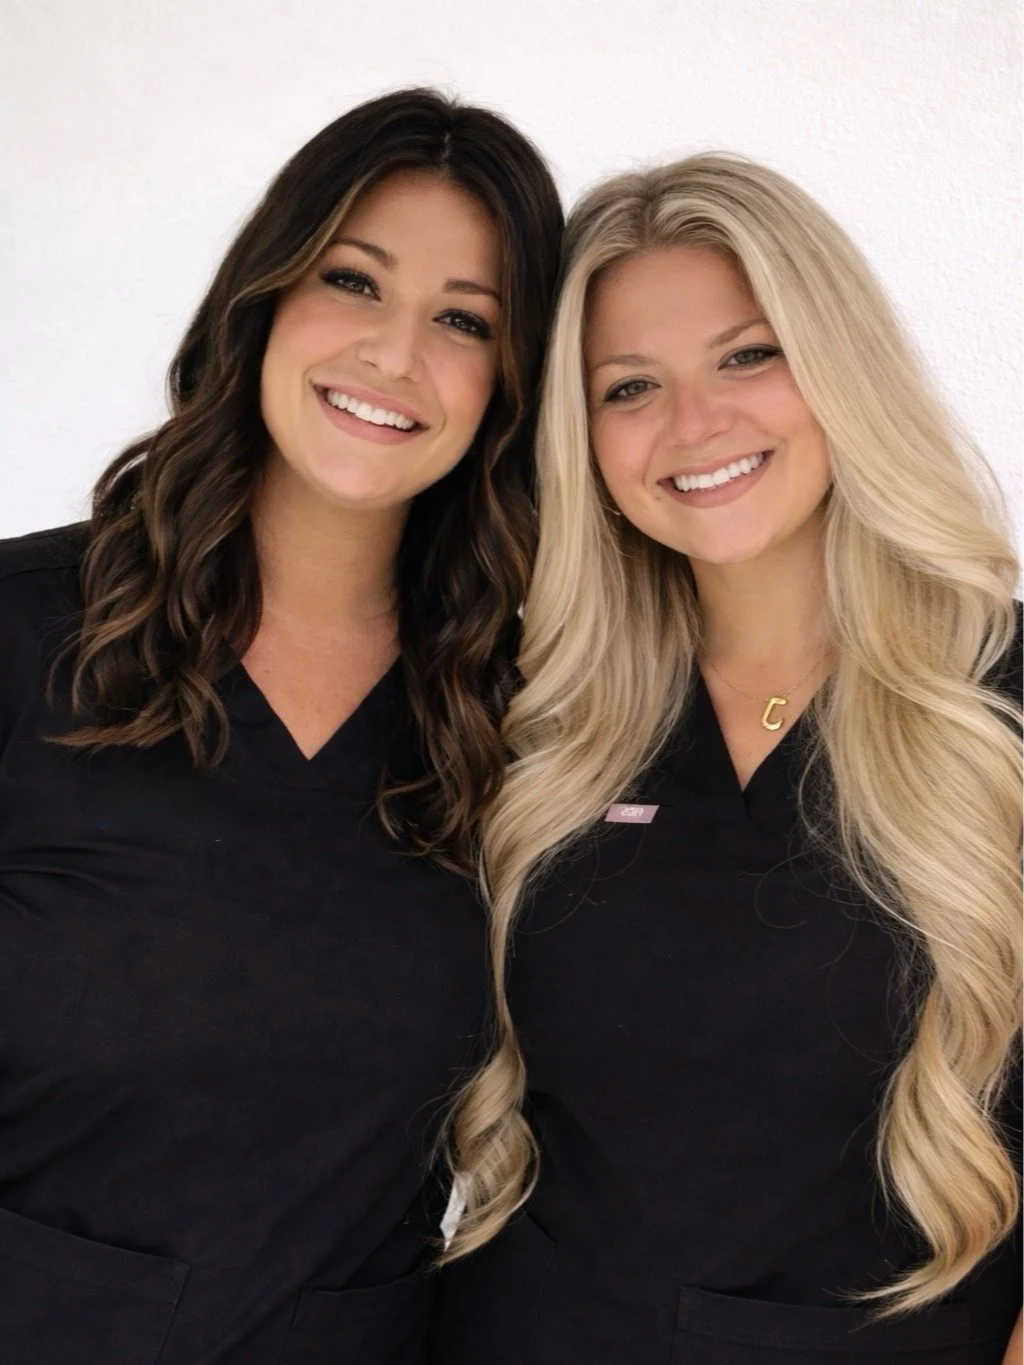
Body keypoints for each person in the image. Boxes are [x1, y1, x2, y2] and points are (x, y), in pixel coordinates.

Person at [429, 154, 1024, 1363]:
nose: (693, 426)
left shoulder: (994, 709)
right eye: (628, 386)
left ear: (838, 365)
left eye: (749, 356)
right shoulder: (537, 711)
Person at [0, 88, 561, 1364]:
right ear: (263, 294)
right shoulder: (26, 635)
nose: (395, 355)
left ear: (509, 387)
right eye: (354, 283)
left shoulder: (515, 719)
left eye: (464, 320)